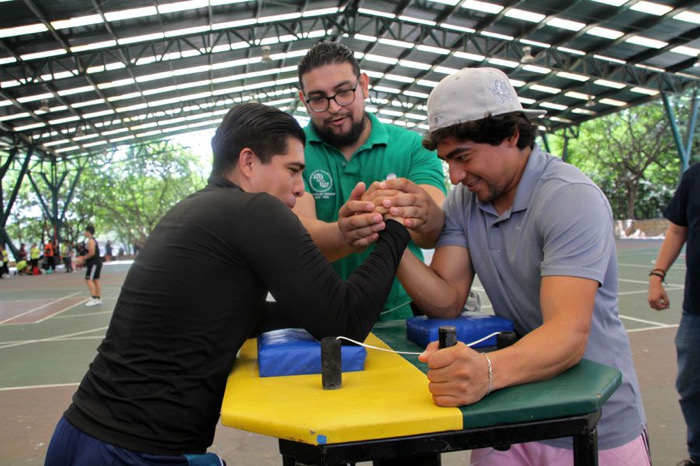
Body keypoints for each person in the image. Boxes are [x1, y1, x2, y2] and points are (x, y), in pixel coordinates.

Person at [44, 103, 410, 466]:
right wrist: (394, 227)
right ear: (248, 162)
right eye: (293, 170)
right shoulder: (258, 209)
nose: (300, 188)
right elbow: (345, 322)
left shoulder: (192, 210)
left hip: (77, 435)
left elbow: (239, 317)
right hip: (134, 452)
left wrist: (316, 305)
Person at [393, 67, 649, 465]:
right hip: (513, 410)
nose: (455, 176)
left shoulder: (569, 198)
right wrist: (391, 241)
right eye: (447, 162)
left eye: (463, 157)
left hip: (593, 416)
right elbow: (445, 302)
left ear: (512, 134)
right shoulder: (465, 201)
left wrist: (485, 372)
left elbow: (568, 334)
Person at [293, 41, 447, 321]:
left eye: (344, 93)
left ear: (363, 85)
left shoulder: (412, 145)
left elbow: (433, 231)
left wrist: (414, 209)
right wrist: (345, 233)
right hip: (317, 318)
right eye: (318, 99)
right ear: (303, 100)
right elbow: (301, 238)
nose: (334, 108)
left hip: (401, 317)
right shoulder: (292, 150)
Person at [648, 162, 700, 466]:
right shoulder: (694, 176)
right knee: (692, 387)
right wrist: (657, 275)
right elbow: (678, 228)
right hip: (696, 309)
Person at [77, 225, 102, 306]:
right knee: (95, 280)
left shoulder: (90, 241)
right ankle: (98, 298)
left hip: (93, 263)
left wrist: (83, 258)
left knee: (88, 279)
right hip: (96, 262)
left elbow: (92, 252)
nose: (84, 233)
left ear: (88, 232)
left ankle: (94, 298)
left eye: (85, 231)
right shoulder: (92, 240)